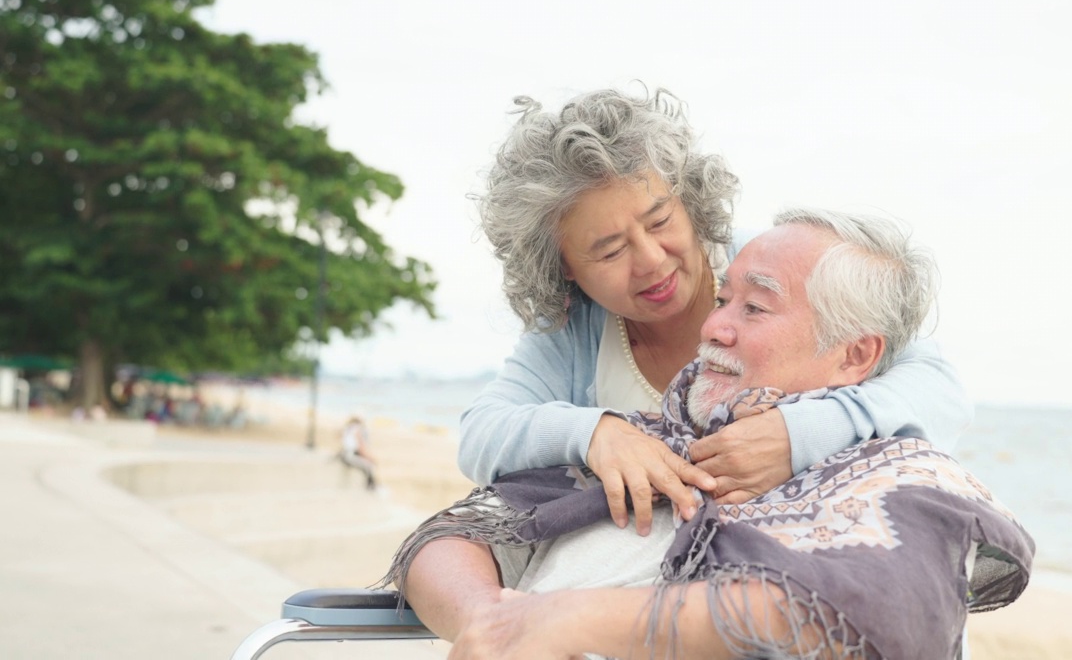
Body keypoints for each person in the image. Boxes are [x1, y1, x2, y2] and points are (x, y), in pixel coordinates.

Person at [409, 86, 975, 641]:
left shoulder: (769, 265)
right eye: (608, 250)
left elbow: (937, 388)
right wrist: (595, 433)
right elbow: (483, 435)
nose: (651, 261)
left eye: (659, 222)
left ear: (689, 200)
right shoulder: (575, 330)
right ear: (565, 272)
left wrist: (794, 433)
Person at [385, 210, 1033, 659]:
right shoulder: (653, 443)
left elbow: (862, 611)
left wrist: (565, 620)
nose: (713, 327)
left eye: (753, 308)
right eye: (722, 300)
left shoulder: (902, 480)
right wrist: (488, 622)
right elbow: (457, 537)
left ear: (855, 356)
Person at [340, 416, 378, 490]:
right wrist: (369, 458)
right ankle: (371, 488)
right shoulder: (358, 429)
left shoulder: (349, 428)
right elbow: (361, 448)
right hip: (351, 455)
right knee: (370, 466)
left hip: (346, 454)